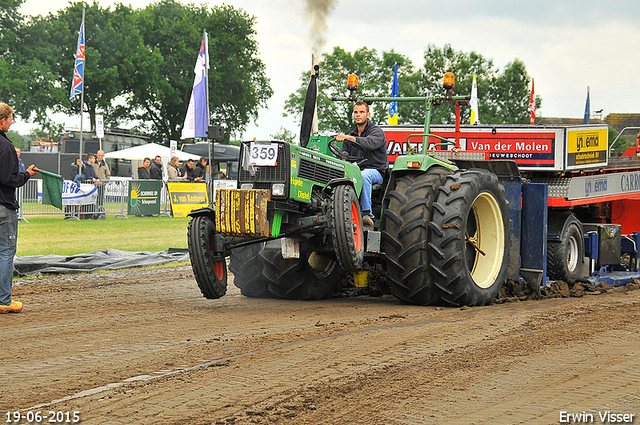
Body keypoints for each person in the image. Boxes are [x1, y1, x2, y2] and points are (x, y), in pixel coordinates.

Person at [0, 103, 39, 313]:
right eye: (10, 119)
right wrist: (27, 174)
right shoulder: (6, 147)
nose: (11, 122)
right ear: (2, 120)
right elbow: (9, 179)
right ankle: (4, 300)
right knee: (5, 253)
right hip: (3, 206)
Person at [335, 101, 388, 227]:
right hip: (356, 169)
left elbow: (369, 143)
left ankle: (366, 215)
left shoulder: (376, 132)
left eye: (361, 112)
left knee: (364, 176)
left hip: (376, 171)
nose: (358, 115)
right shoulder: (351, 133)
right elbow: (344, 155)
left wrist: (349, 138)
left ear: (368, 115)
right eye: (356, 112)